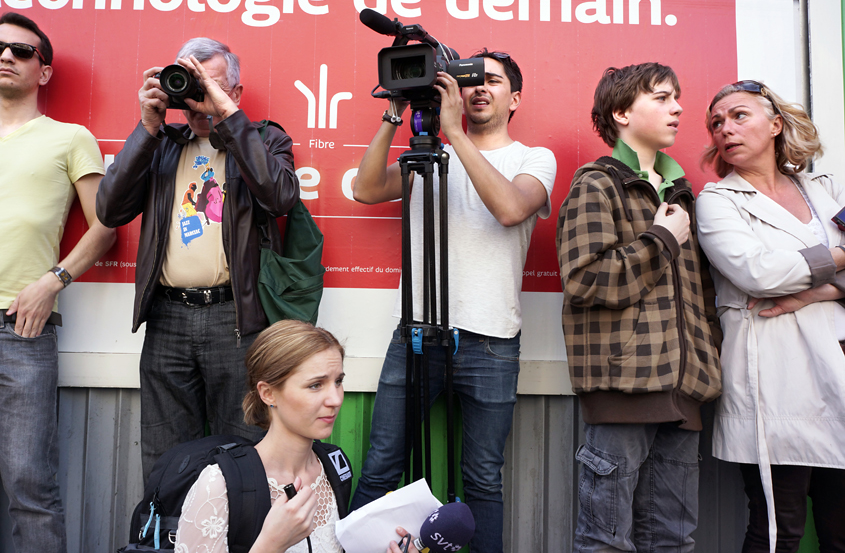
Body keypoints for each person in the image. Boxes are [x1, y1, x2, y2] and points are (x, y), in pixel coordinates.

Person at [350, 48, 557, 553]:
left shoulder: (533, 159)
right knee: (381, 466)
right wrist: (392, 115)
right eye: (470, 80)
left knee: (482, 478)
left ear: (515, 98)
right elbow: (365, 188)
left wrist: (455, 133)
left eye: (494, 81)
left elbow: (510, 209)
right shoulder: (427, 156)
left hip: (492, 341)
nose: (480, 87)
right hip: (417, 334)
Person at [96, 38, 299, 479]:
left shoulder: (264, 139)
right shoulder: (163, 143)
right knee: (166, 456)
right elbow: (109, 210)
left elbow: (279, 196)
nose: (199, 99)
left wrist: (226, 117)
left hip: (237, 319)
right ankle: (164, 544)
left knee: (243, 451)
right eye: (192, 86)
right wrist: (148, 125)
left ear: (236, 93)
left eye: (212, 85)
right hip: (167, 318)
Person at [556, 62, 722, 552]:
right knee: (605, 542)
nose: (679, 108)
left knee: (674, 540)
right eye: (662, 98)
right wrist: (661, 239)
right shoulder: (598, 183)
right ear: (622, 112)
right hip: (623, 388)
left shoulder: (683, 193)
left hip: (685, 391)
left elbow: (703, 296)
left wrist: (705, 357)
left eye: (677, 98)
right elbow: (586, 279)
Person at [696, 80, 845, 553]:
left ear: (776, 124)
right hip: (773, 385)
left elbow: (787, 276)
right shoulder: (718, 201)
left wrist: (809, 293)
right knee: (777, 534)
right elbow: (759, 273)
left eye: (739, 116)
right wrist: (840, 259)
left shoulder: (824, 190)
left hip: (835, 373)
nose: (726, 129)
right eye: (717, 123)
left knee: (841, 533)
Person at [0, 12, 116, 553]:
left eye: (22, 52)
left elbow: (106, 228)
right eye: (0, 49)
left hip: (19, 331)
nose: (6, 57)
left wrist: (54, 280)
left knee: (30, 486)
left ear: (43, 71)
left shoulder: (69, 138)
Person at [175, 320, 421, 553]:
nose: (335, 400)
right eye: (315, 385)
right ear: (268, 393)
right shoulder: (219, 485)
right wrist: (271, 544)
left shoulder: (334, 467)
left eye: (338, 381)